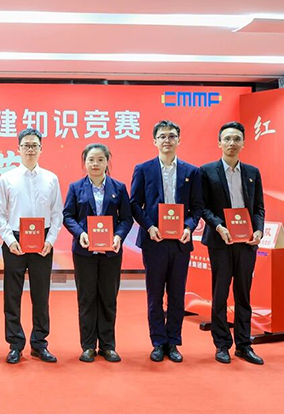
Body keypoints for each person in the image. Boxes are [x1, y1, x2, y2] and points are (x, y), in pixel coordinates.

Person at [130, 120, 203, 363]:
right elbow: (134, 204)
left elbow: (197, 207)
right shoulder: (143, 169)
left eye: (172, 136)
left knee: (176, 293)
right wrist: (149, 227)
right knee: (154, 294)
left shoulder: (192, 172)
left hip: (180, 241)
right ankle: (158, 341)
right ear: (155, 141)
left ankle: (173, 341)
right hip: (154, 240)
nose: (167, 140)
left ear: (178, 140)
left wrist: (189, 227)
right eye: (162, 136)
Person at [0, 128, 63, 364]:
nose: (30, 149)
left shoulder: (51, 178)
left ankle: (39, 343)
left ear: (41, 149)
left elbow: (57, 213)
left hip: (42, 241)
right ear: (18, 149)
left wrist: (50, 240)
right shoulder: (7, 178)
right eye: (26, 145)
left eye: (34, 145)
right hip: (14, 240)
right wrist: (9, 240)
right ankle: (15, 344)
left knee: (41, 295)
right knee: (12, 295)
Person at [200, 121, 265, 365]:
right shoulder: (207, 171)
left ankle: (244, 345)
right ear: (219, 143)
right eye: (227, 139)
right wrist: (219, 226)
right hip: (220, 241)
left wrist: (258, 230)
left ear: (243, 143)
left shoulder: (252, 172)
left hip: (246, 242)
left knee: (243, 294)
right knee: (220, 293)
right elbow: (203, 207)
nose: (232, 143)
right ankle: (222, 345)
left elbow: (258, 208)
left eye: (237, 139)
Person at [62, 143, 133, 362]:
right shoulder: (76, 187)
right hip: (84, 252)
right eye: (91, 160)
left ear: (107, 162)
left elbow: (126, 218)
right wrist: (80, 233)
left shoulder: (118, 187)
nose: (95, 164)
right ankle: (88, 346)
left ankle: (108, 345)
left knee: (108, 298)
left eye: (100, 159)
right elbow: (68, 216)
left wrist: (118, 236)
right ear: (84, 162)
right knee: (87, 298)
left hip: (111, 252)